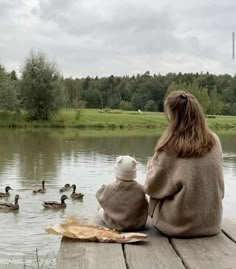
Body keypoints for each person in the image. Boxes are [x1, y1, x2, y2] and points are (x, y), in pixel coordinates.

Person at [144, 91, 224, 237]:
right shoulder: (215, 140)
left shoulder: (169, 146)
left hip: (179, 226)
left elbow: (152, 188)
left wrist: (152, 168)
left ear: (172, 116)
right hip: (212, 223)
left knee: (157, 192)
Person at [96, 155, 148, 231]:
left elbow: (99, 195)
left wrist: (112, 185)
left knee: (99, 207)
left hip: (116, 225)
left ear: (116, 172)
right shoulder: (141, 188)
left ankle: (113, 216)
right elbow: (145, 203)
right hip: (137, 224)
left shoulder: (111, 188)